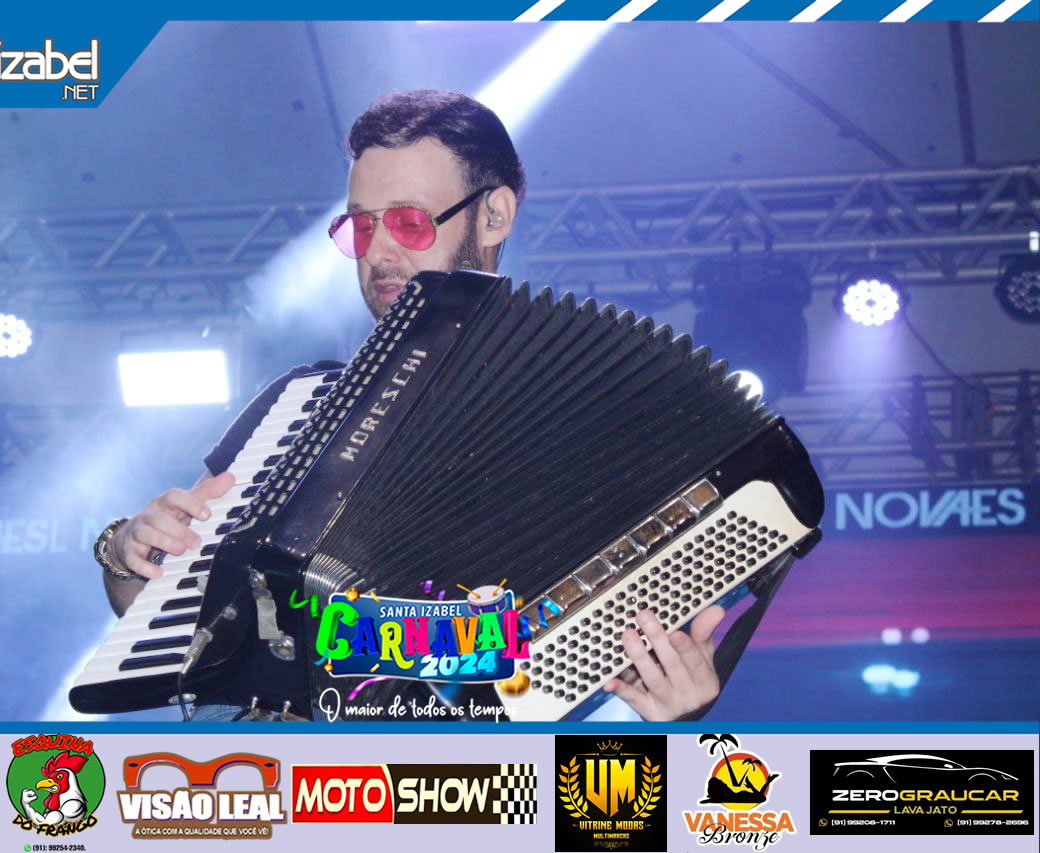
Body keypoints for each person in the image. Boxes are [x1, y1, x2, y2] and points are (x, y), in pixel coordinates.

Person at [97, 89, 724, 722]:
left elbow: (570, 675)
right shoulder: (299, 407)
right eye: (362, 226)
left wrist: (677, 706)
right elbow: (167, 614)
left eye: (409, 222)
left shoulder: (599, 425)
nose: (379, 253)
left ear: (494, 215)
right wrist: (124, 553)